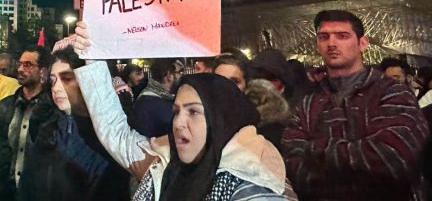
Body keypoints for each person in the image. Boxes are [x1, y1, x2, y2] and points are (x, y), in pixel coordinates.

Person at [70, 22, 296, 200]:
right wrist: (92, 55)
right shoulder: (162, 161)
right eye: (176, 111)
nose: (178, 123)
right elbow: (114, 131)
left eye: (194, 112)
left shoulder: (255, 180)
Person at [282, 9, 429, 200]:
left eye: (342, 36)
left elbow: (393, 157)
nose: (332, 43)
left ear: (362, 43)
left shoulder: (392, 92)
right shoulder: (308, 103)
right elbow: (292, 163)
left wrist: (314, 150)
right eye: (324, 37)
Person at [19, 47, 129, 201]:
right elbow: (28, 186)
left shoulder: (111, 137)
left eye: (67, 79)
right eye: (53, 80)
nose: (56, 88)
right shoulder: (48, 130)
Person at [0, 45, 54, 190]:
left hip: (37, 190)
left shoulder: (53, 108)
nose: (21, 69)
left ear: (43, 71)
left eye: (28, 65)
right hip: (6, 190)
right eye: (20, 64)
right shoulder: (6, 105)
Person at [131, 58, 178, 137]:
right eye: (180, 72)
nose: (183, 76)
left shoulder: (147, 97)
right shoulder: (162, 107)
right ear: (169, 75)